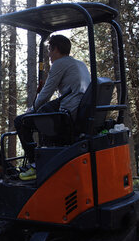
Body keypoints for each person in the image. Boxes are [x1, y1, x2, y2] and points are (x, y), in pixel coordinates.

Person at [14, 34, 91, 181]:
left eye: (49, 49)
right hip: (80, 110)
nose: (48, 54)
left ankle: (35, 165)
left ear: (56, 49)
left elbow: (45, 94)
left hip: (69, 114)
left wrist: (31, 109)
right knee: (44, 113)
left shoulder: (60, 63)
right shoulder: (79, 64)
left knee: (22, 121)